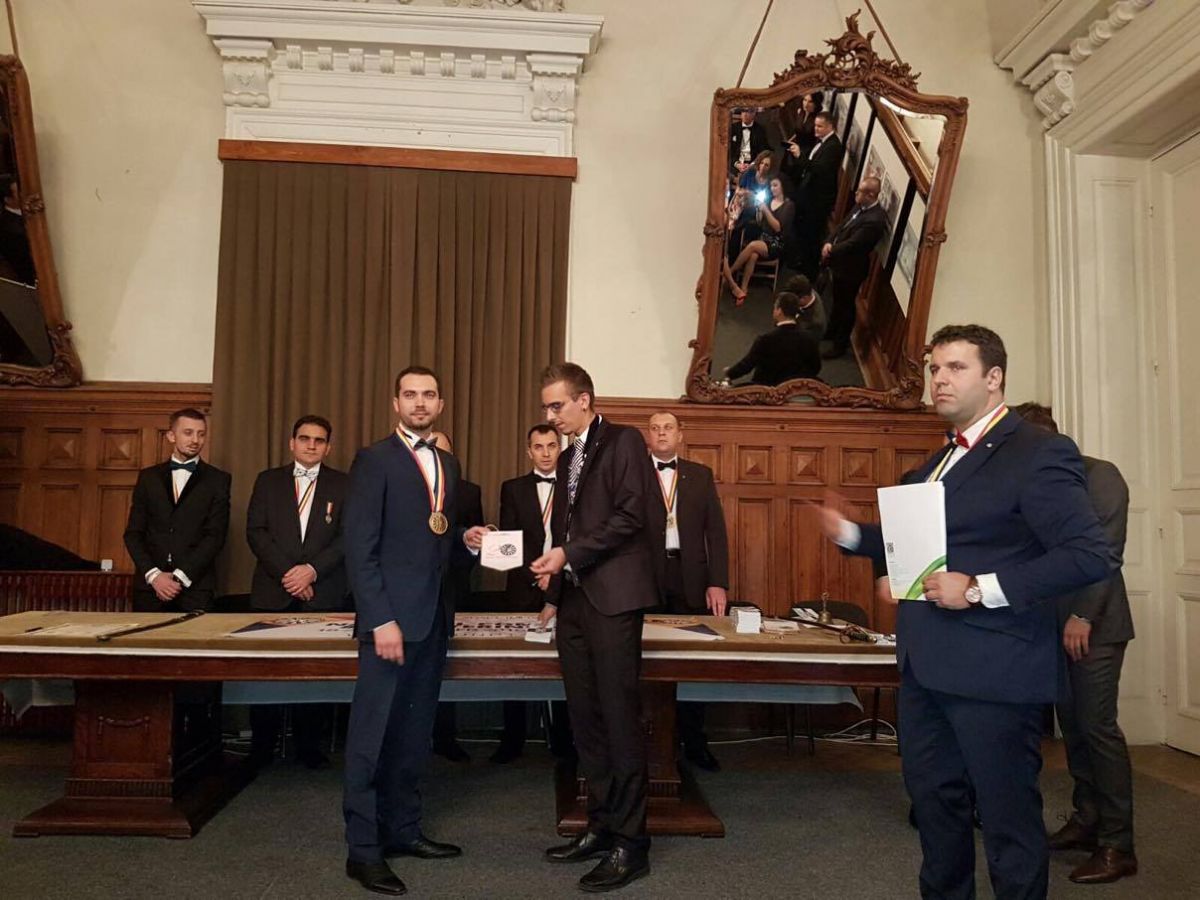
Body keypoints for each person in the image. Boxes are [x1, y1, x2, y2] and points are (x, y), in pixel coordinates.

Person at [815, 325, 1115, 900]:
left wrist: (978, 588)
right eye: (935, 368)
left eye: (956, 367)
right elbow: (921, 544)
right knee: (935, 809)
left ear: (994, 377)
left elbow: (1087, 555)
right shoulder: (934, 464)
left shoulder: (1038, 451)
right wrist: (852, 535)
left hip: (995, 670)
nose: (940, 379)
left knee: (1006, 819)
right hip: (925, 668)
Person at [341, 366, 489, 896]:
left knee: (413, 734)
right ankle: (363, 851)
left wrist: (466, 540)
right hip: (389, 625)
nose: (420, 403)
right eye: (410, 395)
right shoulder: (373, 460)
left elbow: (436, 539)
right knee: (371, 738)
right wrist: (380, 619)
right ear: (395, 403)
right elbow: (359, 548)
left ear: (441, 404)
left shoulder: (448, 463)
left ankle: (403, 830)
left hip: (433, 622)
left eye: (429, 395)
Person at [530, 362, 657, 893]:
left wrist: (568, 554)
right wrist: (554, 582)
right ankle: (601, 826)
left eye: (557, 405)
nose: (551, 415)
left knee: (619, 720)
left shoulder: (624, 442)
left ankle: (632, 843)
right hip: (576, 601)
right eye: (546, 407)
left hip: (614, 600)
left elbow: (631, 517)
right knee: (585, 720)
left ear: (584, 400)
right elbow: (565, 528)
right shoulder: (567, 457)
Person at [1013, 403, 1137, 885]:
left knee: (1098, 728)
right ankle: (1088, 820)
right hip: (1050, 625)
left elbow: (1104, 554)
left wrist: (1082, 615)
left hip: (1096, 626)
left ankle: (1118, 845)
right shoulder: (1035, 484)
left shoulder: (1101, 476)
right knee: (1074, 730)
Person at [246, 414, 349, 770]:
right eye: (304, 438)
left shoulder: (344, 484)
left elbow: (347, 537)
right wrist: (290, 575)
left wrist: (311, 572)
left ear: (328, 447)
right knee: (265, 674)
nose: (311, 445)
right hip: (273, 592)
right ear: (292, 443)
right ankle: (262, 747)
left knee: (314, 672)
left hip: (322, 592)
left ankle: (309, 747)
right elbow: (256, 531)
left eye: (319, 440)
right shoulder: (268, 480)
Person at [645, 411, 729, 772]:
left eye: (668, 428)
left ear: (680, 435)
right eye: (655, 429)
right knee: (645, 659)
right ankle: (646, 743)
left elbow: (716, 532)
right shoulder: (634, 474)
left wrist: (718, 581)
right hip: (645, 578)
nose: (662, 434)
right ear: (648, 436)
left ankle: (694, 742)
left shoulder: (700, 475)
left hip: (691, 578)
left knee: (692, 660)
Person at [493, 423, 573, 764]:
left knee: (567, 663)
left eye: (551, 446)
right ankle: (512, 739)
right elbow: (508, 541)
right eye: (538, 447)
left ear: (560, 449)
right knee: (515, 664)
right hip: (523, 588)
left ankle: (565, 741)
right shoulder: (512, 488)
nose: (545, 453)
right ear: (529, 451)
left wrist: (554, 578)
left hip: (566, 586)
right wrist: (538, 574)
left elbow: (577, 539)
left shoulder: (574, 487)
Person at [124, 408, 231, 613]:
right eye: (188, 433)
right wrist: (154, 576)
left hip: (196, 589)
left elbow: (215, 536)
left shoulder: (218, 480)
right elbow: (133, 534)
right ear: (171, 436)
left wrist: (180, 577)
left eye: (201, 434)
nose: (195, 440)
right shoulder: (148, 478)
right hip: (150, 589)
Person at [430, 430, 484, 764]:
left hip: (453, 590)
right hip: (409, 592)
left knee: (448, 667)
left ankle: (445, 738)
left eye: (443, 452)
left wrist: (472, 542)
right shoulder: (401, 485)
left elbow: (474, 547)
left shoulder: (468, 491)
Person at [820, 176, 888, 359]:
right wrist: (829, 241)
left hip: (851, 269)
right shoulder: (859, 206)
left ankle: (840, 344)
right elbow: (842, 226)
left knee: (846, 307)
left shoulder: (875, 220)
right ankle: (831, 330)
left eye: (861, 191)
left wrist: (831, 250)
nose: (856, 193)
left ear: (871, 195)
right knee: (837, 301)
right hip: (839, 263)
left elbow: (854, 244)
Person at [724, 291, 821, 386]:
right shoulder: (809, 338)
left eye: (774, 307)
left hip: (767, 390)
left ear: (779, 311)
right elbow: (816, 367)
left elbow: (747, 365)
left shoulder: (766, 340)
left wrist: (730, 372)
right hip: (796, 391)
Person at [723, 176, 794, 305]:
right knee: (753, 255)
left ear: (783, 186)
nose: (772, 188)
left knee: (752, 246)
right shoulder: (769, 201)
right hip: (764, 239)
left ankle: (729, 275)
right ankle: (743, 289)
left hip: (776, 243)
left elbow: (777, 227)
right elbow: (761, 223)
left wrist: (765, 209)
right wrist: (759, 212)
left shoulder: (788, 206)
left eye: (775, 185)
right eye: (771, 186)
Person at [793, 111, 843, 277]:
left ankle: (809, 271)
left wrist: (800, 156)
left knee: (813, 234)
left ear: (830, 126)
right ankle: (801, 261)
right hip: (809, 195)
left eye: (820, 126)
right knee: (804, 231)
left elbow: (819, 169)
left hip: (818, 200)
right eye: (815, 125)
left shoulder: (834, 146)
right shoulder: (821, 141)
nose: (816, 129)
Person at [782, 274, 827, 344]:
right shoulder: (808, 291)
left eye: (793, 299)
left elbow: (806, 344)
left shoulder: (815, 323)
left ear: (804, 298)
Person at [729, 108, 769, 176]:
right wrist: (737, 164)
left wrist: (752, 164)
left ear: (754, 114)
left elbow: (763, 150)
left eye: (748, 112)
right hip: (735, 163)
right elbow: (728, 150)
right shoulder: (733, 128)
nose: (745, 114)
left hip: (753, 163)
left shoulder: (760, 130)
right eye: (743, 111)